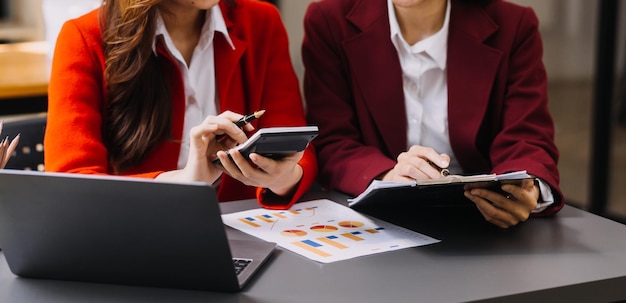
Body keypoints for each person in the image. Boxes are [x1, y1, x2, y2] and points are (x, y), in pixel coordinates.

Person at [302, 0, 564, 228]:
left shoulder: (513, 25)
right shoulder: (329, 21)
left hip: (481, 219)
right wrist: (389, 176)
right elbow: (332, 140)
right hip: (376, 222)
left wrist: (525, 190)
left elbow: (528, 136)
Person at [45, 0, 317, 209]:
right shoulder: (83, 37)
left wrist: (283, 178)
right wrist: (186, 180)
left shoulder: (261, 21)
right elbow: (71, 185)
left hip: (247, 236)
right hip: (133, 236)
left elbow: (295, 144)